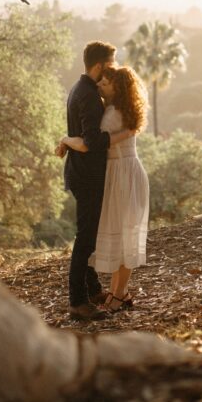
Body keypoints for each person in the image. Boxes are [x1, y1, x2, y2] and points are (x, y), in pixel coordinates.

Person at [60, 65, 150, 313]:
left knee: (125, 235)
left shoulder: (111, 114)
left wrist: (66, 140)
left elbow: (89, 144)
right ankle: (118, 292)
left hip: (122, 174)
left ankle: (119, 293)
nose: (99, 86)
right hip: (125, 172)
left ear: (117, 87)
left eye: (105, 83)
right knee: (124, 235)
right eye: (100, 82)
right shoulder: (121, 109)